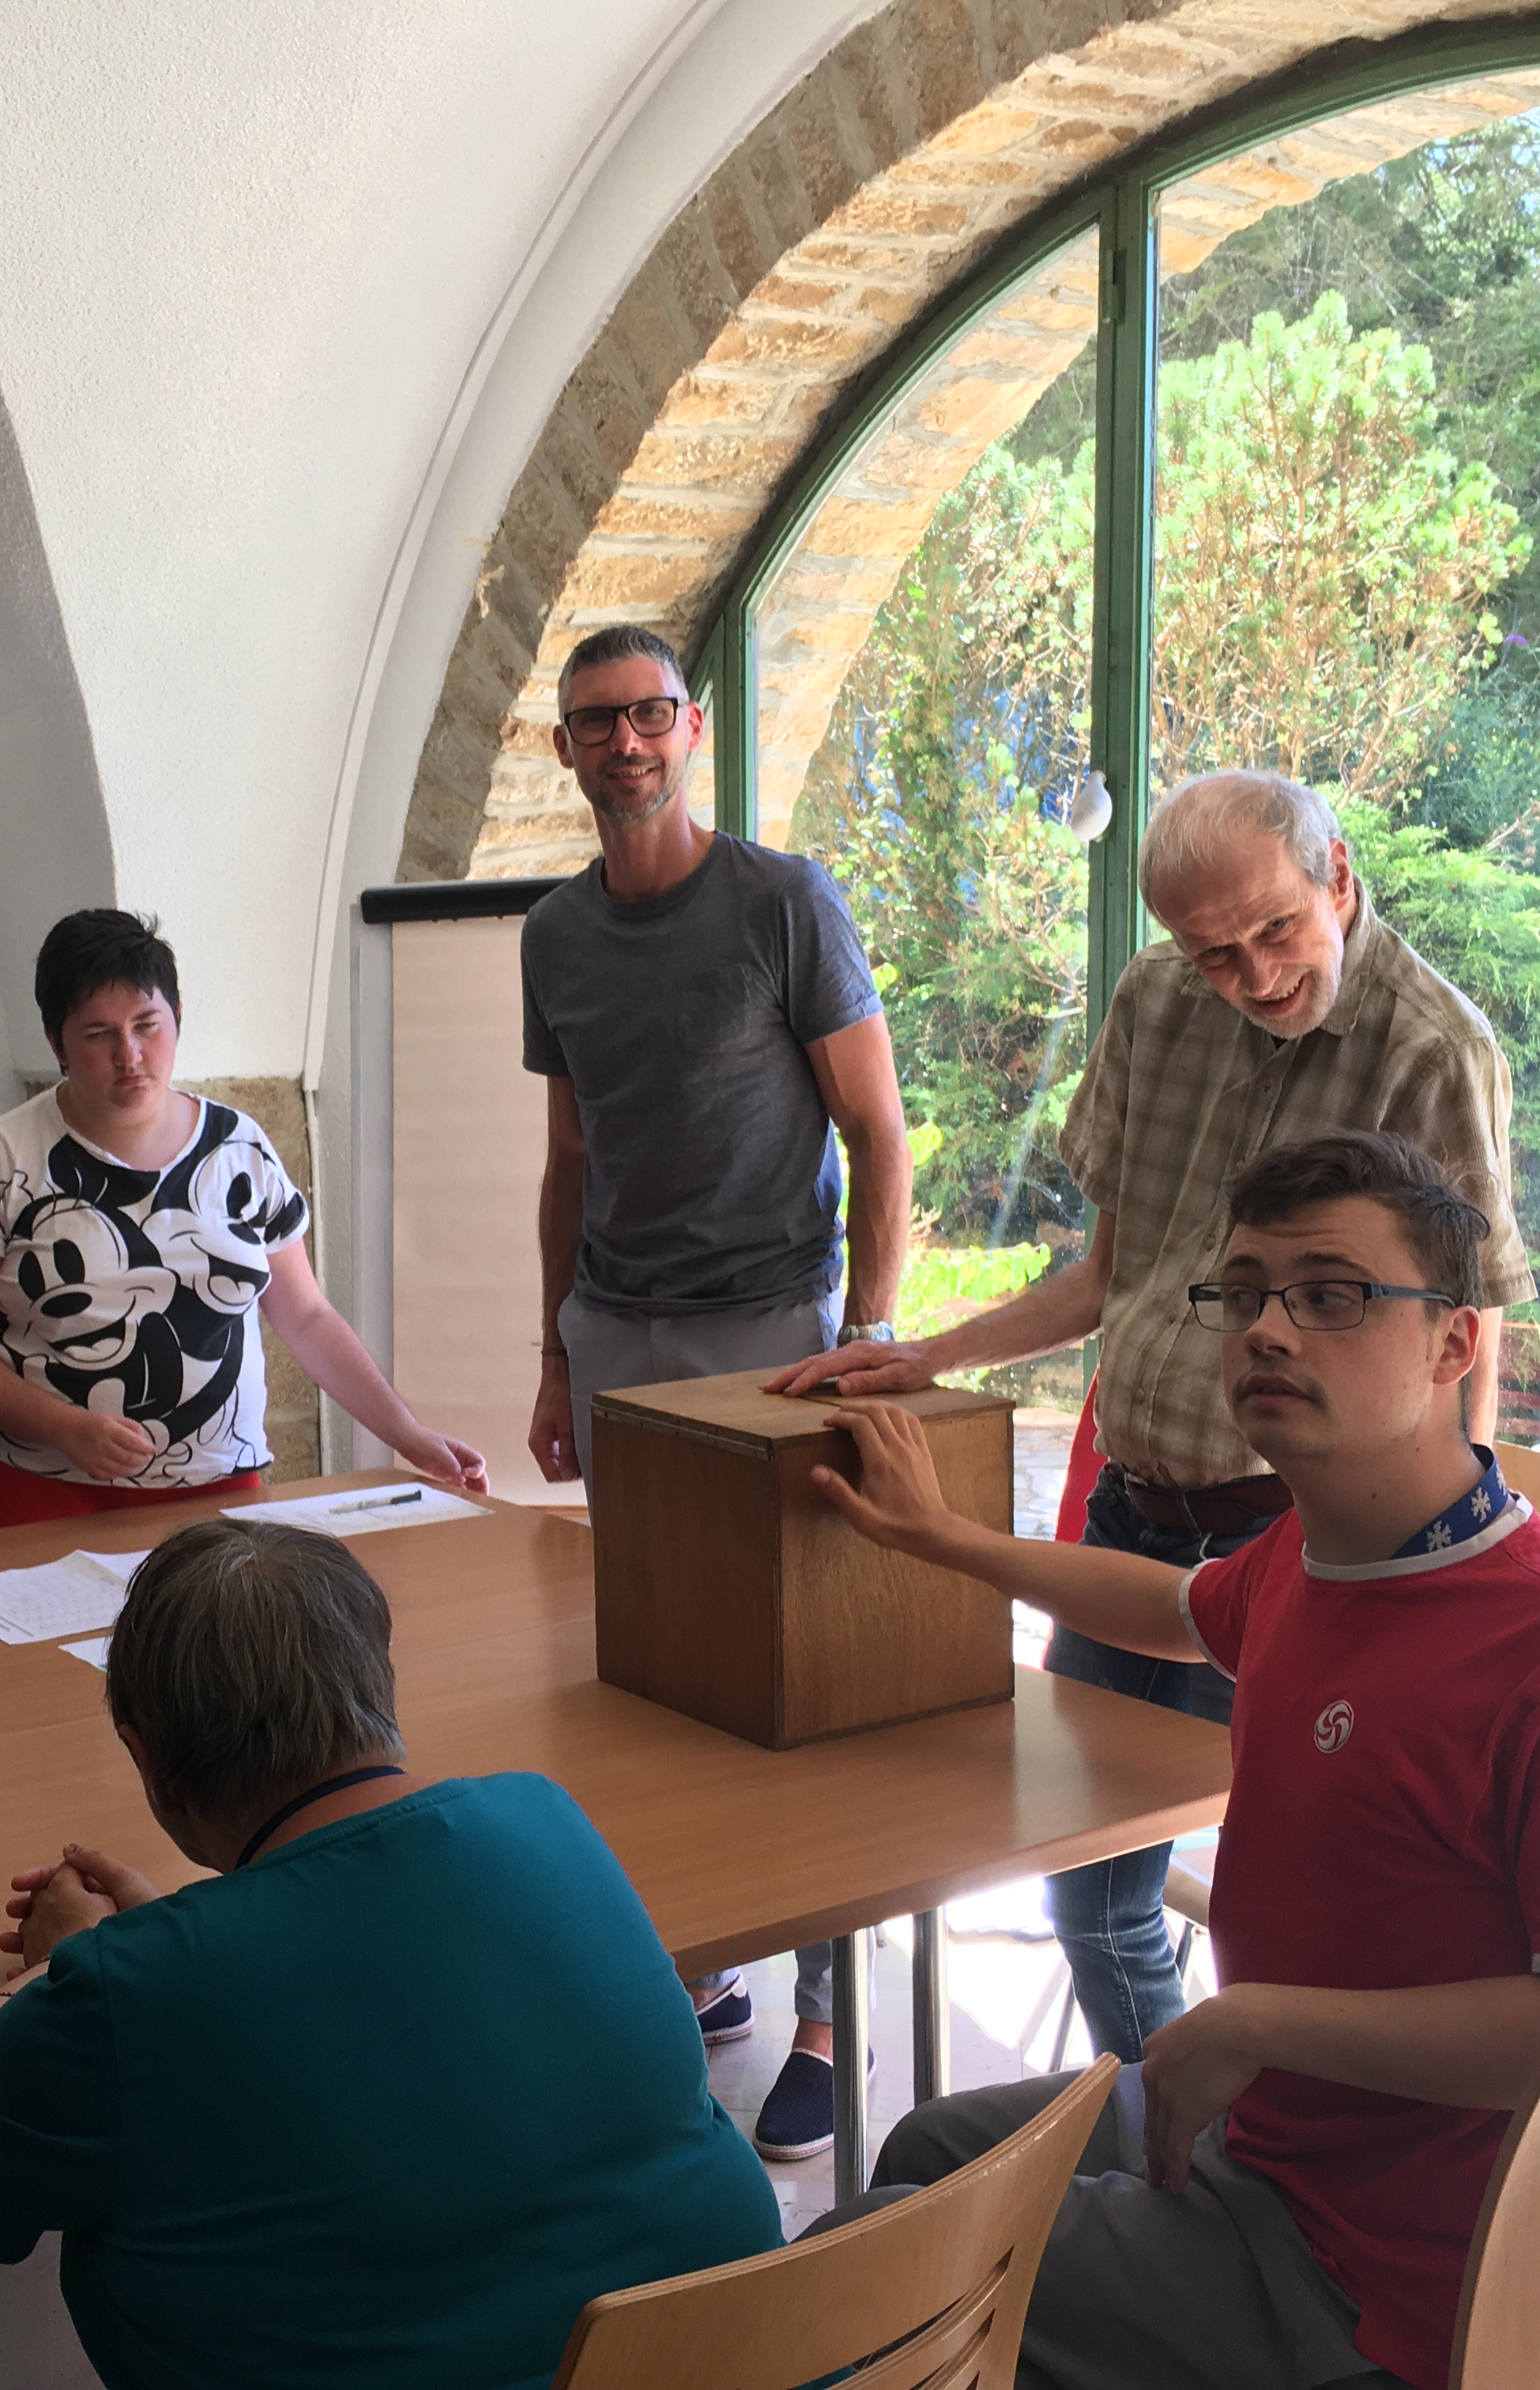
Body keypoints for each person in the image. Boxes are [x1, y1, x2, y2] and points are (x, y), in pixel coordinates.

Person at [808, 1132, 1540, 2390]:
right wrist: (942, 1539)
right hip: (1273, 2135)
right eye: (1243, 1295)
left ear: (1454, 1344)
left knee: (860, 2276)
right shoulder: (1312, 1556)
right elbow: (1172, 1607)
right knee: (925, 2150)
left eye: (1331, 1295)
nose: (1269, 1331)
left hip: (1389, 2278)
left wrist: (1257, 2025)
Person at [770, 768, 1539, 2066]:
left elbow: (1464, 1339)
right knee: (1086, 1885)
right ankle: (1180, 2123)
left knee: (1295, 1901)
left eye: (1276, 931)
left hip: (1304, 1543)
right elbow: (1109, 1274)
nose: (1254, 976)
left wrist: (1448, 1561)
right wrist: (930, 1353)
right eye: (1213, 952)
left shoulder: (1432, 1050)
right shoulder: (1156, 999)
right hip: (1135, 1513)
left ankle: (1207, 2129)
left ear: (1337, 876)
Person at [0, 1517, 778, 2390]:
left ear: (145, 1758)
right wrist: (155, 1946)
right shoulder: (543, 1816)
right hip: (759, 2359)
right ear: (379, 1677)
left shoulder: (131, 1991)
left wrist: (61, 1965)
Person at [520, 622, 914, 2159]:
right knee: (657, 1671)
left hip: (771, 1328)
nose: (624, 742)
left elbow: (876, 1129)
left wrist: (869, 1333)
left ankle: (822, 2010)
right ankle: (698, 1959)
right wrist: (554, 1349)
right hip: (616, 1333)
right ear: (564, 748)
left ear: (690, 729)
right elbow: (568, 1156)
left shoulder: (781, 900)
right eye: (595, 721)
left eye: (648, 713)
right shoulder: (555, 935)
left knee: (797, 1669)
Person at [0, 909, 484, 1529]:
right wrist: (64, 1427)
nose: (130, 1055)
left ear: (178, 1015)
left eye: (147, 1025)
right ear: (56, 1043)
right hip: (41, 1487)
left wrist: (407, 1433)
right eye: (98, 1034)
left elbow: (306, 1317)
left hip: (218, 1479)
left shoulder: (239, 1147)